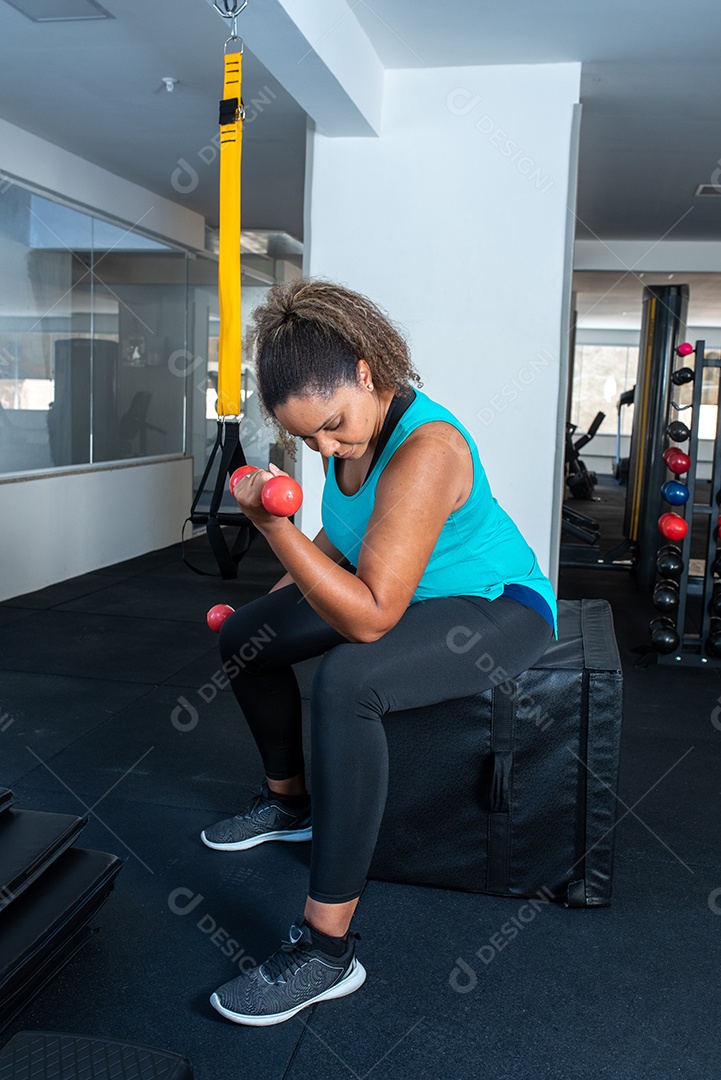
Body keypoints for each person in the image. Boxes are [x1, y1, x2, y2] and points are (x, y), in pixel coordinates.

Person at [201, 278, 557, 1027]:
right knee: (245, 637)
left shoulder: (426, 448)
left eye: (332, 426)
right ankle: (288, 803)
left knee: (347, 681)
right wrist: (271, 602)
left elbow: (369, 620)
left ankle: (327, 952)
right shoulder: (343, 430)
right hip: (390, 586)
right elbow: (346, 535)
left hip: (492, 605)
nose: (326, 447)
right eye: (307, 440)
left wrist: (272, 529)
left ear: (366, 370)